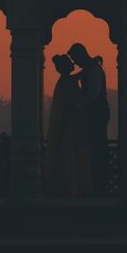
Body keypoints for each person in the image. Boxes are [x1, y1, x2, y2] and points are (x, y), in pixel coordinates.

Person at [43, 53, 93, 198]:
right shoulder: (68, 81)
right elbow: (83, 75)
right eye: (70, 62)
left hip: (68, 125)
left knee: (69, 156)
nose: (73, 63)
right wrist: (91, 64)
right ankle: (73, 188)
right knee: (71, 156)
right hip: (71, 125)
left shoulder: (64, 81)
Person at [68, 42, 110, 196]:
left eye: (75, 59)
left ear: (81, 55)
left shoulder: (93, 69)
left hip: (97, 113)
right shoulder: (90, 68)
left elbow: (93, 93)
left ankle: (100, 183)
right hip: (94, 113)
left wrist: (78, 105)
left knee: (97, 148)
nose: (75, 63)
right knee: (94, 147)